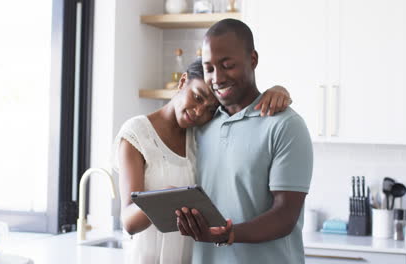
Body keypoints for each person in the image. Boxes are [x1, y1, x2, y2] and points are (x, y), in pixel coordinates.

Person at [113, 58, 292, 263]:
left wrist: (279, 90)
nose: (199, 112)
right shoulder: (136, 134)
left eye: (210, 110)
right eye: (198, 97)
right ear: (183, 82)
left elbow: (245, 113)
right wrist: (165, 198)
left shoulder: (200, 134)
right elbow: (128, 222)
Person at [175, 19, 313, 264]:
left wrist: (229, 234)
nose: (217, 77)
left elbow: (285, 215)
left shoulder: (285, 125)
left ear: (253, 60)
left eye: (227, 65)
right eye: (209, 68)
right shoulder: (201, 125)